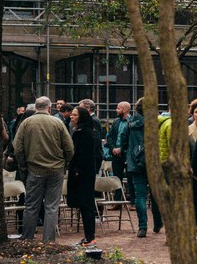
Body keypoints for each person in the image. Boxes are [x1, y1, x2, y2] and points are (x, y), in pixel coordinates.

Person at [14, 95, 74, 241]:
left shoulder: (26, 123)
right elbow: (69, 148)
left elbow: (18, 148)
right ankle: (48, 240)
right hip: (55, 169)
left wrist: (23, 166)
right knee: (52, 207)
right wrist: (64, 164)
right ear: (49, 107)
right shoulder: (58, 123)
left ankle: (28, 238)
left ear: (35, 107)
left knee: (31, 206)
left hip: (34, 170)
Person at [68, 107, 101, 246]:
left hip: (82, 174)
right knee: (86, 205)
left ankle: (89, 237)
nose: (71, 117)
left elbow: (82, 154)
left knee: (86, 205)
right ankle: (89, 236)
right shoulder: (89, 132)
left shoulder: (83, 133)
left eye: (74, 115)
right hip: (86, 173)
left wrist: (77, 170)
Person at [124, 102, 156, 237]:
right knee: (156, 196)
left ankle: (142, 227)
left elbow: (124, 141)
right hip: (153, 163)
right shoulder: (156, 123)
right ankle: (158, 222)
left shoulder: (131, 123)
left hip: (135, 163)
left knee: (140, 196)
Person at [107, 101, 131, 180]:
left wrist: (121, 149)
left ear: (124, 110)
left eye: (118, 108)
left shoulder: (132, 122)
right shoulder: (116, 121)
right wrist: (113, 148)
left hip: (127, 154)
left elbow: (131, 139)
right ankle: (118, 193)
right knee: (116, 179)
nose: (116, 110)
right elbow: (109, 136)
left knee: (130, 179)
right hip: (115, 155)